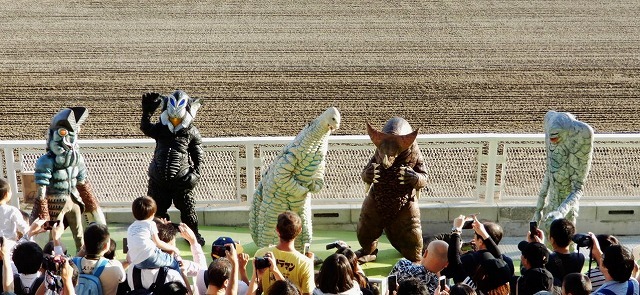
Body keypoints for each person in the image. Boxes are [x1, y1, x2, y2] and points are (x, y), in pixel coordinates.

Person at [140, 90, 206, 246]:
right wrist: (146, 113)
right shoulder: (161, 128)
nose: (175, 121)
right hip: (158, 180)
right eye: (172, 118)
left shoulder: (191, 131)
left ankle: (193, 236)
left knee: (188, 211)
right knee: (157, 212)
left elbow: (198, 155)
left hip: (181, 181)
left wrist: (196, 174)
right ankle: (160, 236)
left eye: (178, 118)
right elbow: (146, 128)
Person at [253, 211, 314, 295]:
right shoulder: (305, 263)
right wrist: (309, 262)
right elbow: (308, 293)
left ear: (277, 229)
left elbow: (256, 287)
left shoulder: (261, 254)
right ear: (300, 231)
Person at [448, 215, 513, 289]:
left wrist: (456, 230)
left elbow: (454, 262)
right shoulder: (506, 265)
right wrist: (484, 234)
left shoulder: (470, 288)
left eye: (475, 235)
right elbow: (498, 257)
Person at [126, 196, 181, 271]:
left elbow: (131, 246)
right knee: (174, 263)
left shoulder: (131, 228)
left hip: (137, 263)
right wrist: (174, 248)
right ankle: (180, 281)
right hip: (150, 257)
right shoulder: (150, 224)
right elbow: (158, 243)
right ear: (153, 214)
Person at [73, 223, 126, 295]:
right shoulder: (114, 266)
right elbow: (122, 279)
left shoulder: (72, 265)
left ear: (84, 244)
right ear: (106, 246)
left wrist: (83, 249)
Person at [545, 219, 584, 287]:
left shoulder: (547, 260)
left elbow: (554, 257)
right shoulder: (580, 258)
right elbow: (559, 257)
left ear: (551, 239)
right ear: (572, 240)